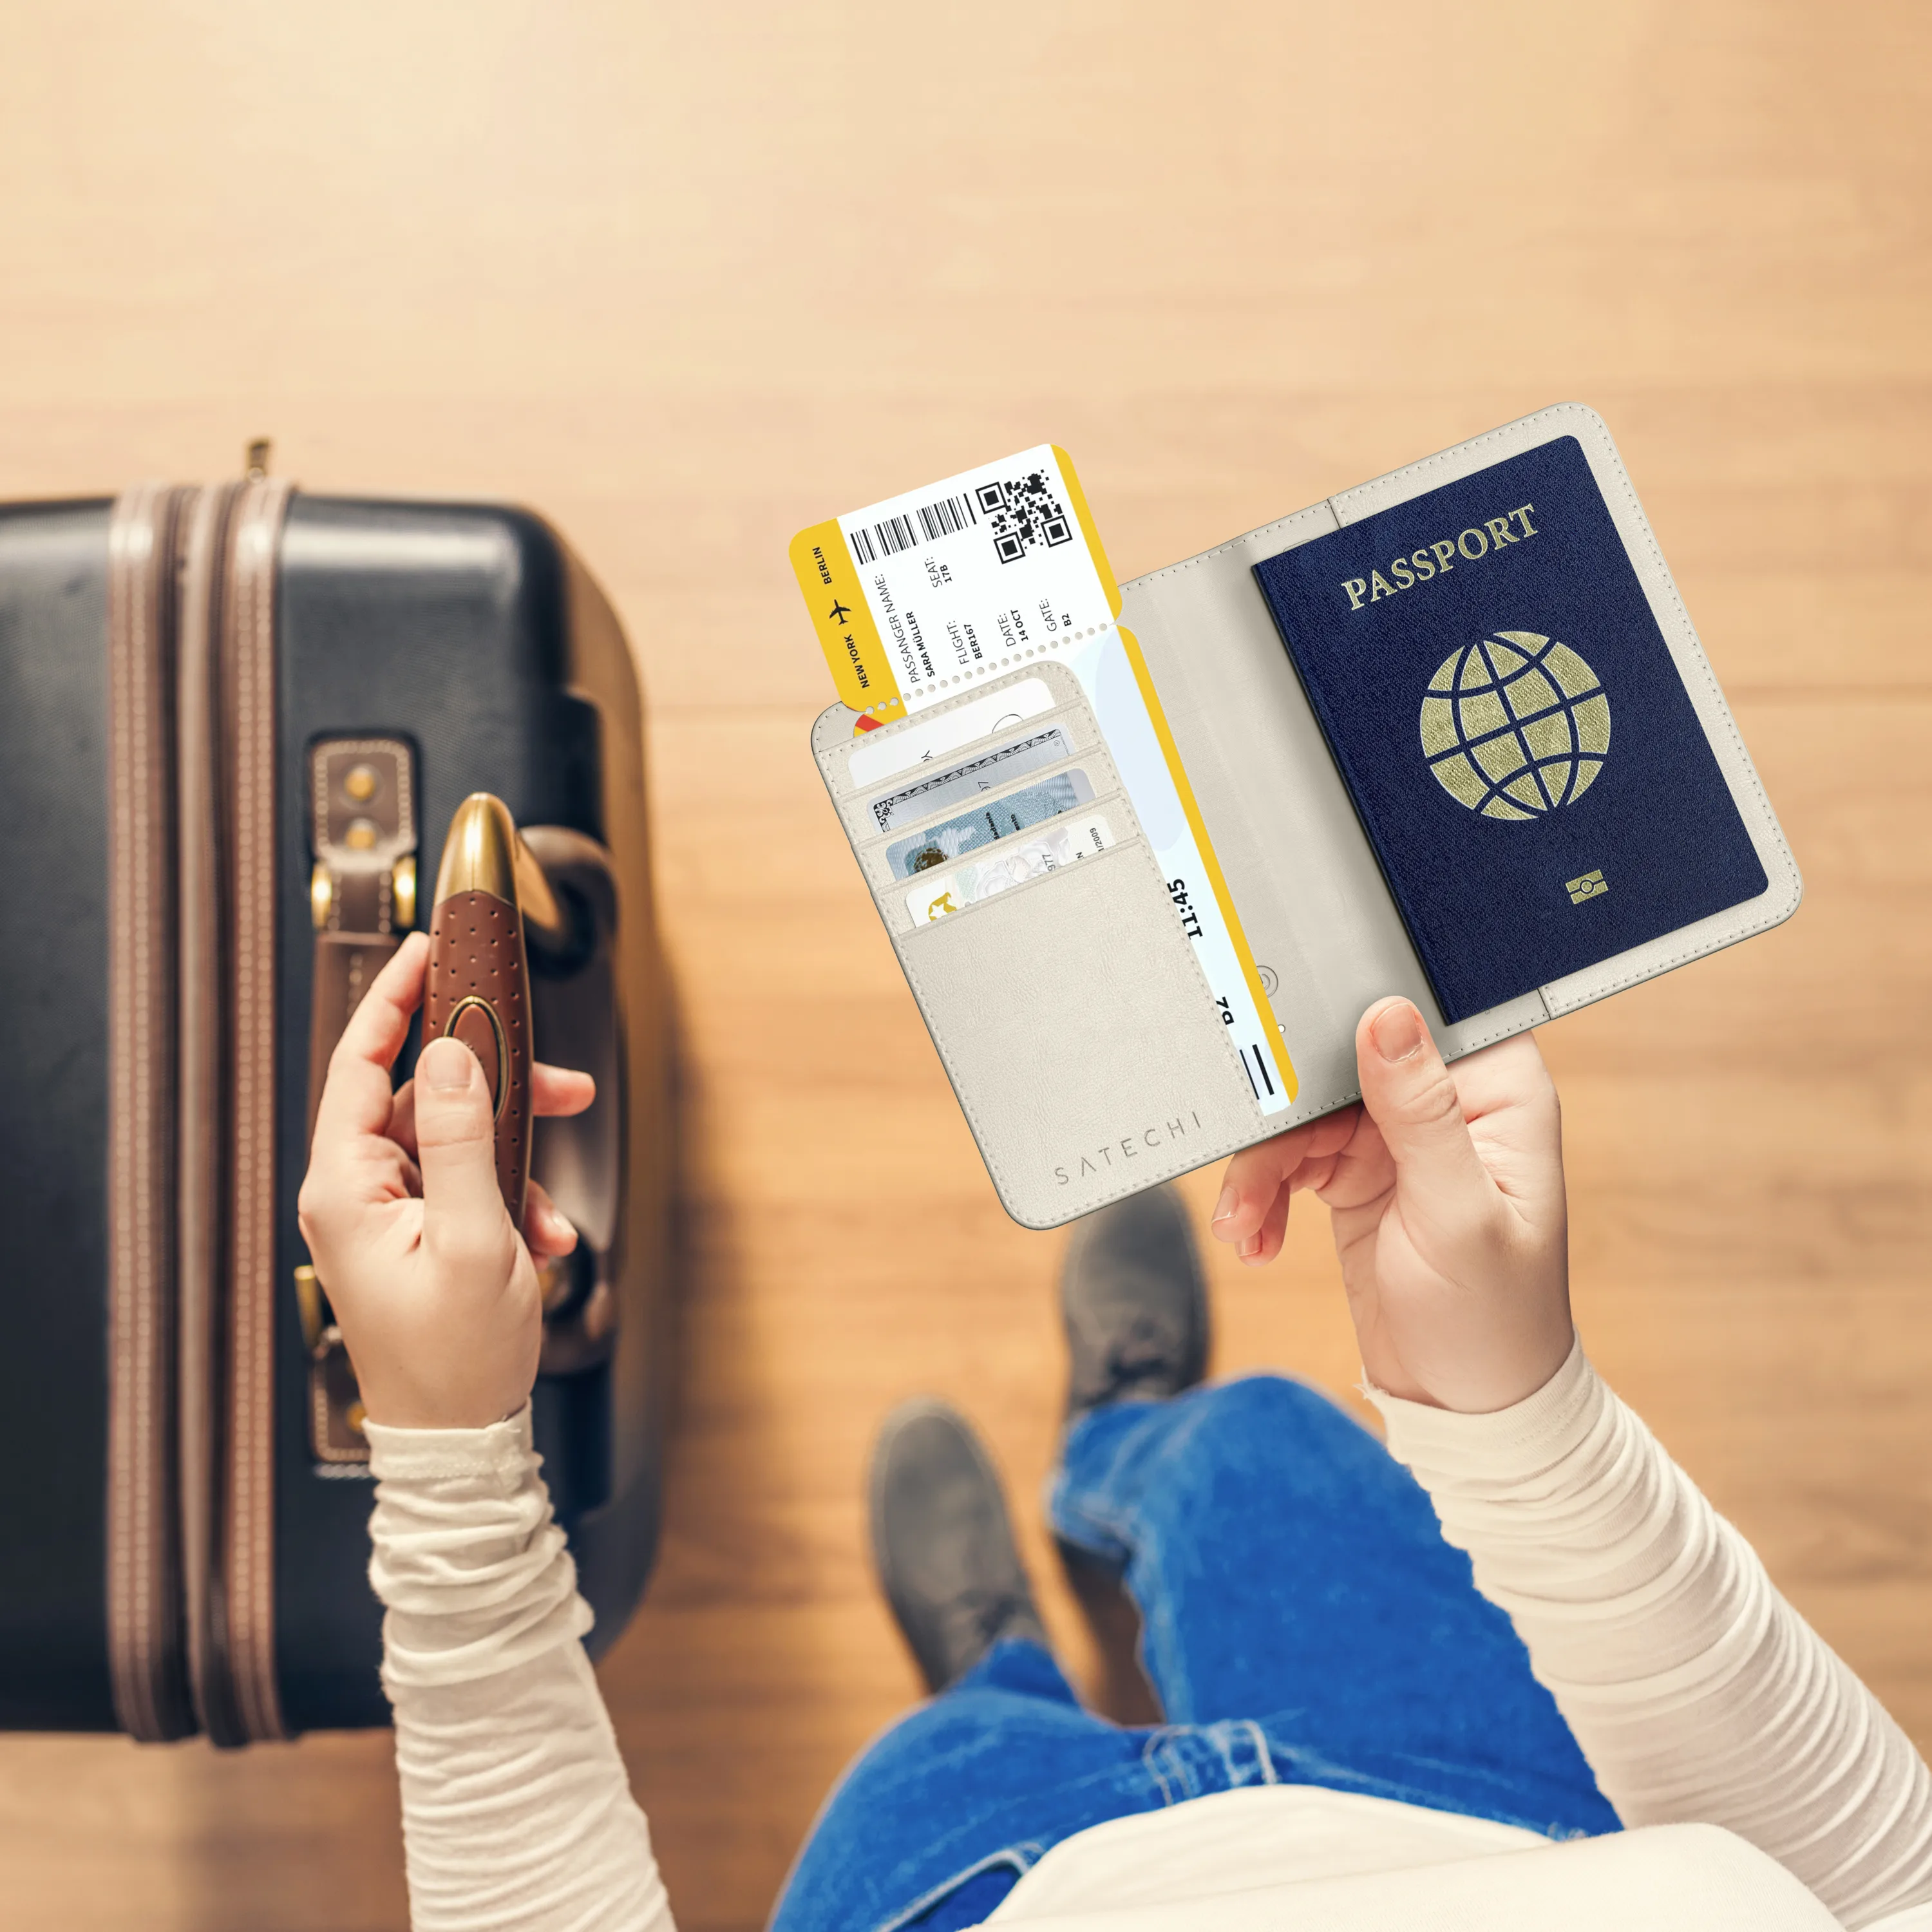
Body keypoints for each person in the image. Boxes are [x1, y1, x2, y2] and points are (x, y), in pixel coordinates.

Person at [299, 933, 1932, 1931]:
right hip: (1497, 1816)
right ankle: (1118, 1444)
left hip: (969, 1890)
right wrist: (1516, 1409)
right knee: (1260, 1454)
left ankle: (1000, 1660)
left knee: (958, 1753)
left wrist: (451, 1446)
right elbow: (1874, 1895)